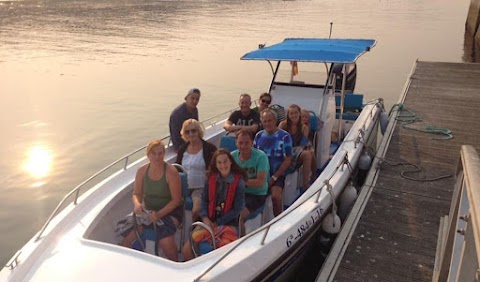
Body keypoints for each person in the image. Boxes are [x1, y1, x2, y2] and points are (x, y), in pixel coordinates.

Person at [120, 139, 183, 261]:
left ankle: (175, 264)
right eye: (153, 153)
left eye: (160, 153)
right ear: (148, 155)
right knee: (127, 238)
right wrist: (137, 205)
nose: (157, 157)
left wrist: (159, 214)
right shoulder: (142, 171)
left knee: (165, 241)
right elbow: (137, 193)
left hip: (170, 211)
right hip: (148, 211)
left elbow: (176, 200)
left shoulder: (171, 172)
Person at [182, 149, 246, 261]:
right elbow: (204, 201)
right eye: (219, 163)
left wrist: (217, 223)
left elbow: (237, 210)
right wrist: (205, 217)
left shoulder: (239, 183)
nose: (223, 165)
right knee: (186, 250)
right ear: (216, 165)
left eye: (225, 161)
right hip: (209, 222)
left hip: (229, 223)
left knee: (223, 251)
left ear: (231, 162)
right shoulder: (210, 180)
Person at [176, 119, 217, 221]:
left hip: (201, 187)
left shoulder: (209, 148)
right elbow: (176, 169)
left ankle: (193, 232)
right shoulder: (182, 150)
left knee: (196, 210)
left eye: (193, 130)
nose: (191, 134)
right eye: (187, 132)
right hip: (184, 187)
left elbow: (217, 168)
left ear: (199, 131)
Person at [254, 109, 293, 217]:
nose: (267, 123)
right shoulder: (258, 136)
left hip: (277, 173)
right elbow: (254, 156)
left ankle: (278, 220)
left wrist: (275, 177)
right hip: (261, 173)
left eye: (270, 120)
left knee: (275, 196)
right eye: (265, 121)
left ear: (275, 121)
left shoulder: (284, 136)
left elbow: (288, 159)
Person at [231, 129, 269, 236]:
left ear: (252, 143)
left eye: (247, 143)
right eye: (240, 143)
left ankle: (241, 241)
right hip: (238, 192)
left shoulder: (261, 157)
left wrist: (239, 181)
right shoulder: (232, 157)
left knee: (239, 216)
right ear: (236, 143)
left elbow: (260, 182)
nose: (243, 146)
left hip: (256, 194)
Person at [279, 104, 316, 189]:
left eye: (296, 113)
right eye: (291, 113)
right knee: (308, 154)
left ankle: (309, 180)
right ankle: (306, 184)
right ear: (288, 115)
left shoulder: (304, 128)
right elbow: (279, 141)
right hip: (284, 149)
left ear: (299, 114)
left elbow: (302, 145)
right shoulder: (283, 125)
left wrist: (294, 148)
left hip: (298, 149)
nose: (294, 115)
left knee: (309, 153)